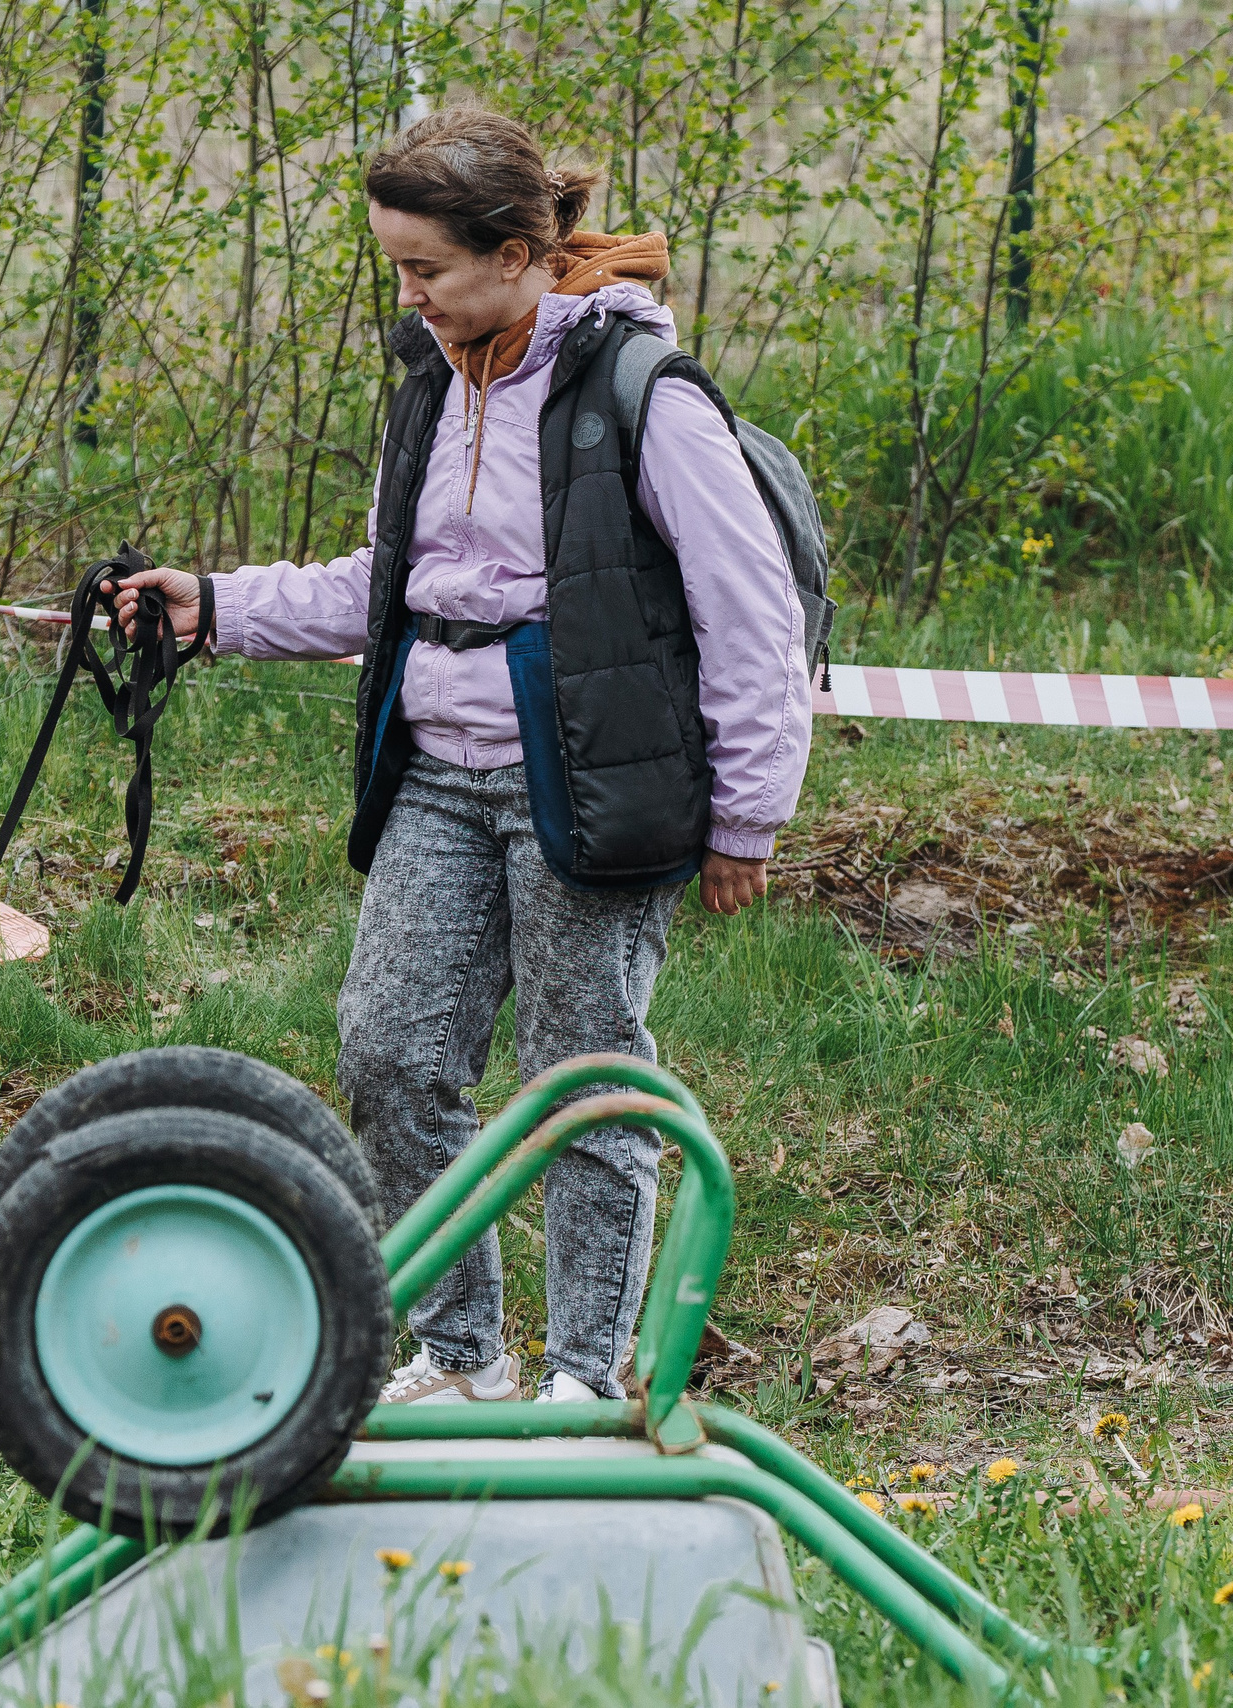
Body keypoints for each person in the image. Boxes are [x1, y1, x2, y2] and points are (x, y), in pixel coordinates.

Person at [103, 108, 811, 1405]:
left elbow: (750, 613)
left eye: (426, 267)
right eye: (396, 268)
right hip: (436, 762)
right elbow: (389, 580)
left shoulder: (641, 396)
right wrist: (214, 606)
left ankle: (588, 1378)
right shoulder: (436, 379)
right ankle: (463, 1353)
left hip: (589, 779)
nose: (408, 293)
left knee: (583, 1076)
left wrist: (748, 816)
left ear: (519, 250)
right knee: (389, 1053)